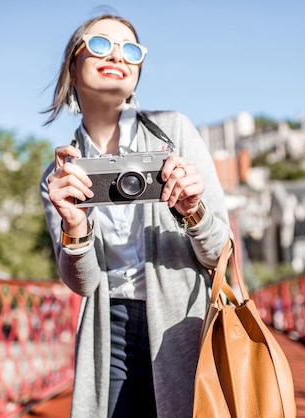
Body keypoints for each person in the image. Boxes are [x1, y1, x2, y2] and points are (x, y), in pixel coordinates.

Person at [39, 12, 231, 418]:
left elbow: (220, 253)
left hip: (182, 323)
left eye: (130, 49)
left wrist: (193, 210)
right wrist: (75, 226)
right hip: (109, 330)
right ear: (72, 64)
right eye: (99, 45)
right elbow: (83, 282)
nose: (117, 56)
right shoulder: (61, 177)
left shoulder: (173, 132)